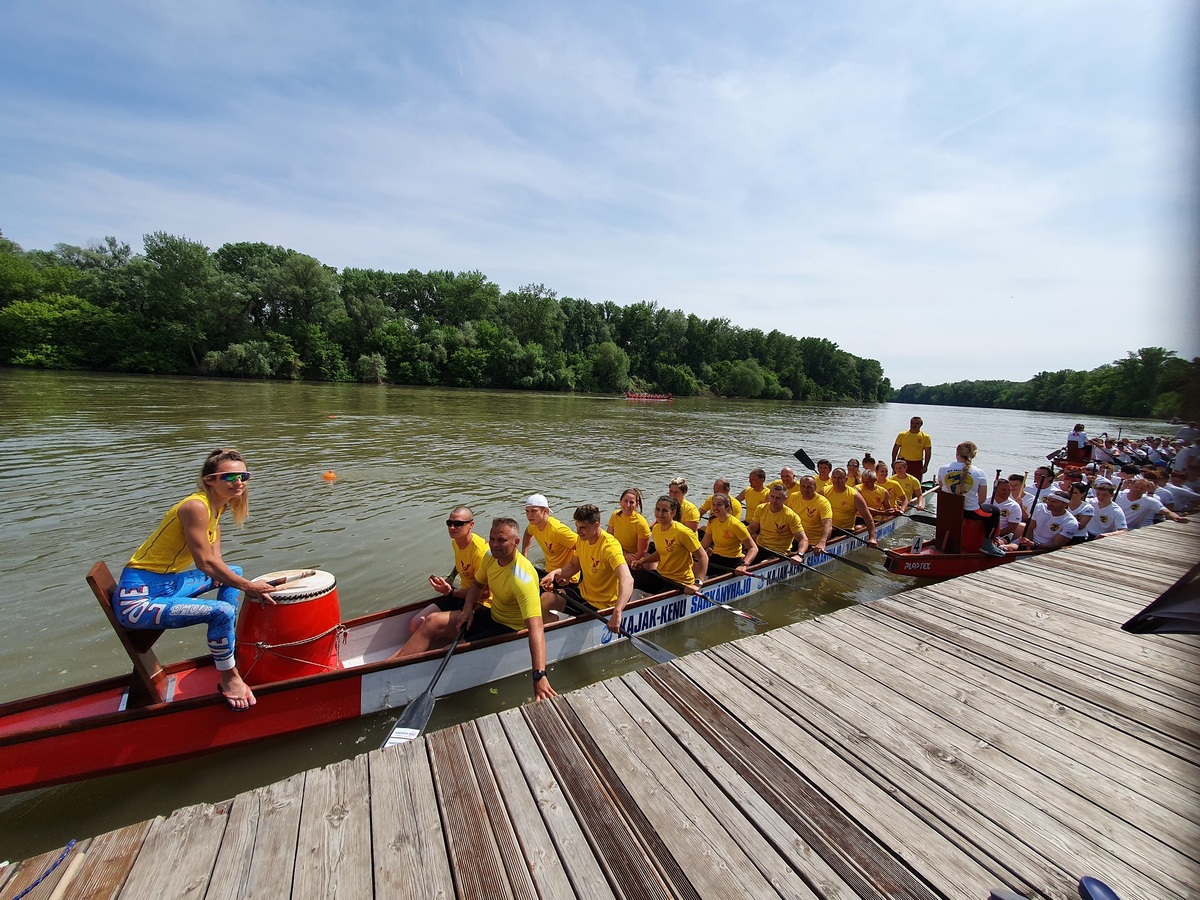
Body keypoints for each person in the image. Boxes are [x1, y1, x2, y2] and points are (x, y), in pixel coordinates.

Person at [115, 448, 277, 710]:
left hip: (168, 584)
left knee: (232, 572)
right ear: (209, 480)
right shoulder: (195, 506)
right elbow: (206, 564)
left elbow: (218, 562)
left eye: (243, 476)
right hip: (138, 600)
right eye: (230, 477)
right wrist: (250, 587)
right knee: (222, 611)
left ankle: (229, 648)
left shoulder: (218, 509)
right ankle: (229, 677)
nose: (239, 483)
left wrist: (238, 582)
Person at [392, 518, 555, 700]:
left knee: (449, 651)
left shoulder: (522, 578)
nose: (494, 545)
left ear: (516, 542)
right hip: (492, 613)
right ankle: (391, 670)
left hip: (510, 627)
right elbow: (477, 584)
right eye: (492, 539)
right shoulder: (490, 557)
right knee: (432, 621)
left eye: (501, 540)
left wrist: (539, 675)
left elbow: (536, 628)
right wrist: (468, 609)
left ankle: (399, 675)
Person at [541, 504, 634, 633]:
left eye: (583, 528)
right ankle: (550, 627)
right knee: (545, 598)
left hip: (603, 605)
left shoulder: (610, 547)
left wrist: (617, 612)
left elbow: (628, 579)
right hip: (584, 594)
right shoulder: (582, 539)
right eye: (577, 527)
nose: (578, 532)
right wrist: (555, 573)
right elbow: (574, 565)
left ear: (596, 525)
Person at [409, 505, 490, 634]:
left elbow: (484, 593)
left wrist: (451, 592)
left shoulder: (480, 552)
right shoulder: (456, 542)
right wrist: (451, 578)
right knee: (415, 623)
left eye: (458, 524)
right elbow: (461, 562)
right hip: (461, 595)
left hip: (481, 603)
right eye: (449, 523)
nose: (452, 528)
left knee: (431, 624)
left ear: (471, 525)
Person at [936, 440, 1003, 557]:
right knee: (995, 511)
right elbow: (982, 500)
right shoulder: (979, 473)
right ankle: (987, 544)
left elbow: (942, 489)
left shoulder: (943, 468)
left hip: (948, 511)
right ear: (973, 455)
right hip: (970, 512)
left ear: (957, 453)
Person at [630, 496, 708, 594]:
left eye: (664, 511)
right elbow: (661, 552)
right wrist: (643, 561)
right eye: (657, 509)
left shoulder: (683, 532)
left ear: (673, 513)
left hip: (679, 581)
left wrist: (697, 584)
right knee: (630, 576)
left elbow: (703, 557)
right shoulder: (656, 529)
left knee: (657, 597)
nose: (660, 513)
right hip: (661, 575)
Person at [521, 494, 578, 581]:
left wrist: (569, 573)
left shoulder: (558, 530)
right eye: (527, 511)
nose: (529, 515)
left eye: (533, 511)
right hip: (549, 573)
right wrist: (524, 554)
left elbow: (584, 547)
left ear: (546, 511)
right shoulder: (534, 525)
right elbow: (528, 533)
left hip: (566, 578)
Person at [700, 493, 758, 576]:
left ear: (727, 507)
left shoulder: (736, 525)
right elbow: (704, 545)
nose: (715, 508)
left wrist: (744, 565)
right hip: (715, 559)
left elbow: (753, 548)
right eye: (713, 504)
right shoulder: (712, 521)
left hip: (732, 562)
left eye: (719, 505)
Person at [748, 483, 809, 561]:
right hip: (760, 547)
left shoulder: (791, 516)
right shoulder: (761, 508)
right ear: (769, 495)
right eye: (772, 497)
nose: (774, 501)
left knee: (763, 563)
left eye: (778, 498)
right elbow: (751, 528)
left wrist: (799, 555)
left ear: (785, 499)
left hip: (779, 552)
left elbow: (803, 539)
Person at [823, 467, 878, 546]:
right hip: (826, 527)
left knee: (832, 540)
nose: (836, 480)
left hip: (844, 529)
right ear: (831, 479)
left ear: (846, 479)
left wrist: (872, 537)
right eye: (834, 477)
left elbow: (867, 517)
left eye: (839, 478)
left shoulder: (854, 495)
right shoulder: (823, 491)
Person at [1115, 477, 1189, 529]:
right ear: (1130, 486)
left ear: (1146, 490)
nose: (1138, 490)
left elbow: (1167, 512)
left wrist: (1177, 517)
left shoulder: (1149, 501)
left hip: (1129, 529)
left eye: (1142, 488)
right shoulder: (1117, 495)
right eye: (1136, 487)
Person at [607, 488, 651, 567]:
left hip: (633, 558)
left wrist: (627, 559)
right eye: (625, 501)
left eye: (631, 502)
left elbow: (641, 552)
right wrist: (623, 554)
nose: (628, 505)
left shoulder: (641, 523)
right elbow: (609, 539)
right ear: (620, 502)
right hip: (617, 552)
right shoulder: (615, 515)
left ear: (636, 504)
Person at [793, 476, 832, 554]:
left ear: (815, 487)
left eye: (809, 487)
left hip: (812, 542)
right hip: (795, 538)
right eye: (803, 486)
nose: (805, 490)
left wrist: (822, 543)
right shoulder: (793, 497)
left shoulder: (823, 502)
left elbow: (828, 525)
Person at [892, 416, 932, 481]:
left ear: (921, 425)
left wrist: (925, 466)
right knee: (897, 481)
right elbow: (895, 449)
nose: (914, 425)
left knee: (915, 482)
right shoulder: (902, 435)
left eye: (916, 423)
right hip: (902, 461)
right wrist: (893, 461)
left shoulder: (925, 437)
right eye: (912, 423)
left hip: (916, 463)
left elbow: (928, 452)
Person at [991, 477, 1026, 542]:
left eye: (1009, 490)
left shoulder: (1014, 506)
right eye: (1003, 490)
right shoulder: (986, 501)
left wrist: (993, 534)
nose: (1007, 492)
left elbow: (1011, 528)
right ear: (995, 489)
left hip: (1003, 535)